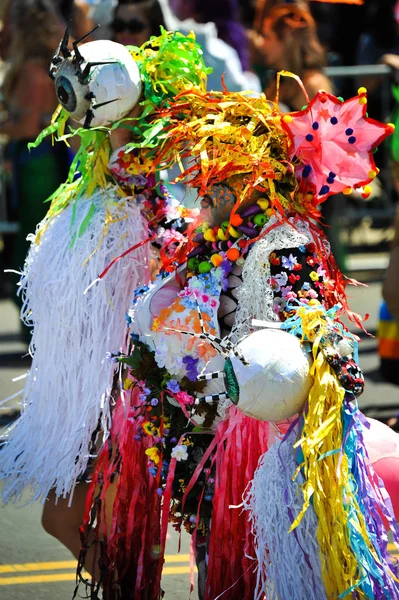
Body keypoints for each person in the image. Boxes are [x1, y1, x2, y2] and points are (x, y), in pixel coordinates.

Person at [76, 83, 399, 600]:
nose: (205, 187)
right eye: (206, 175)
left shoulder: (285, 244)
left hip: (260, 449)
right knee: (220, 574)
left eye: (221, 175)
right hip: (203, 444)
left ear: (254, 176)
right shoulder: (210, 239)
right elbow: (163, 230)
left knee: (257, 573)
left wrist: (303, 357)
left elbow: (312, 344)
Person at [0, 0, 70, 284]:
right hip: (44, 160)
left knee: (31, 243)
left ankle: (28, 314)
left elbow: (28, 126)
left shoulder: (31, 71)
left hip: (34, 164)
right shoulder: (48, 65)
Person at [249, 4, 332, 110]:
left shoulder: (312, 84)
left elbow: (324, 125)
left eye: (267, 37)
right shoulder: (279, 82)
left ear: (286, 41)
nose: (262, 44)